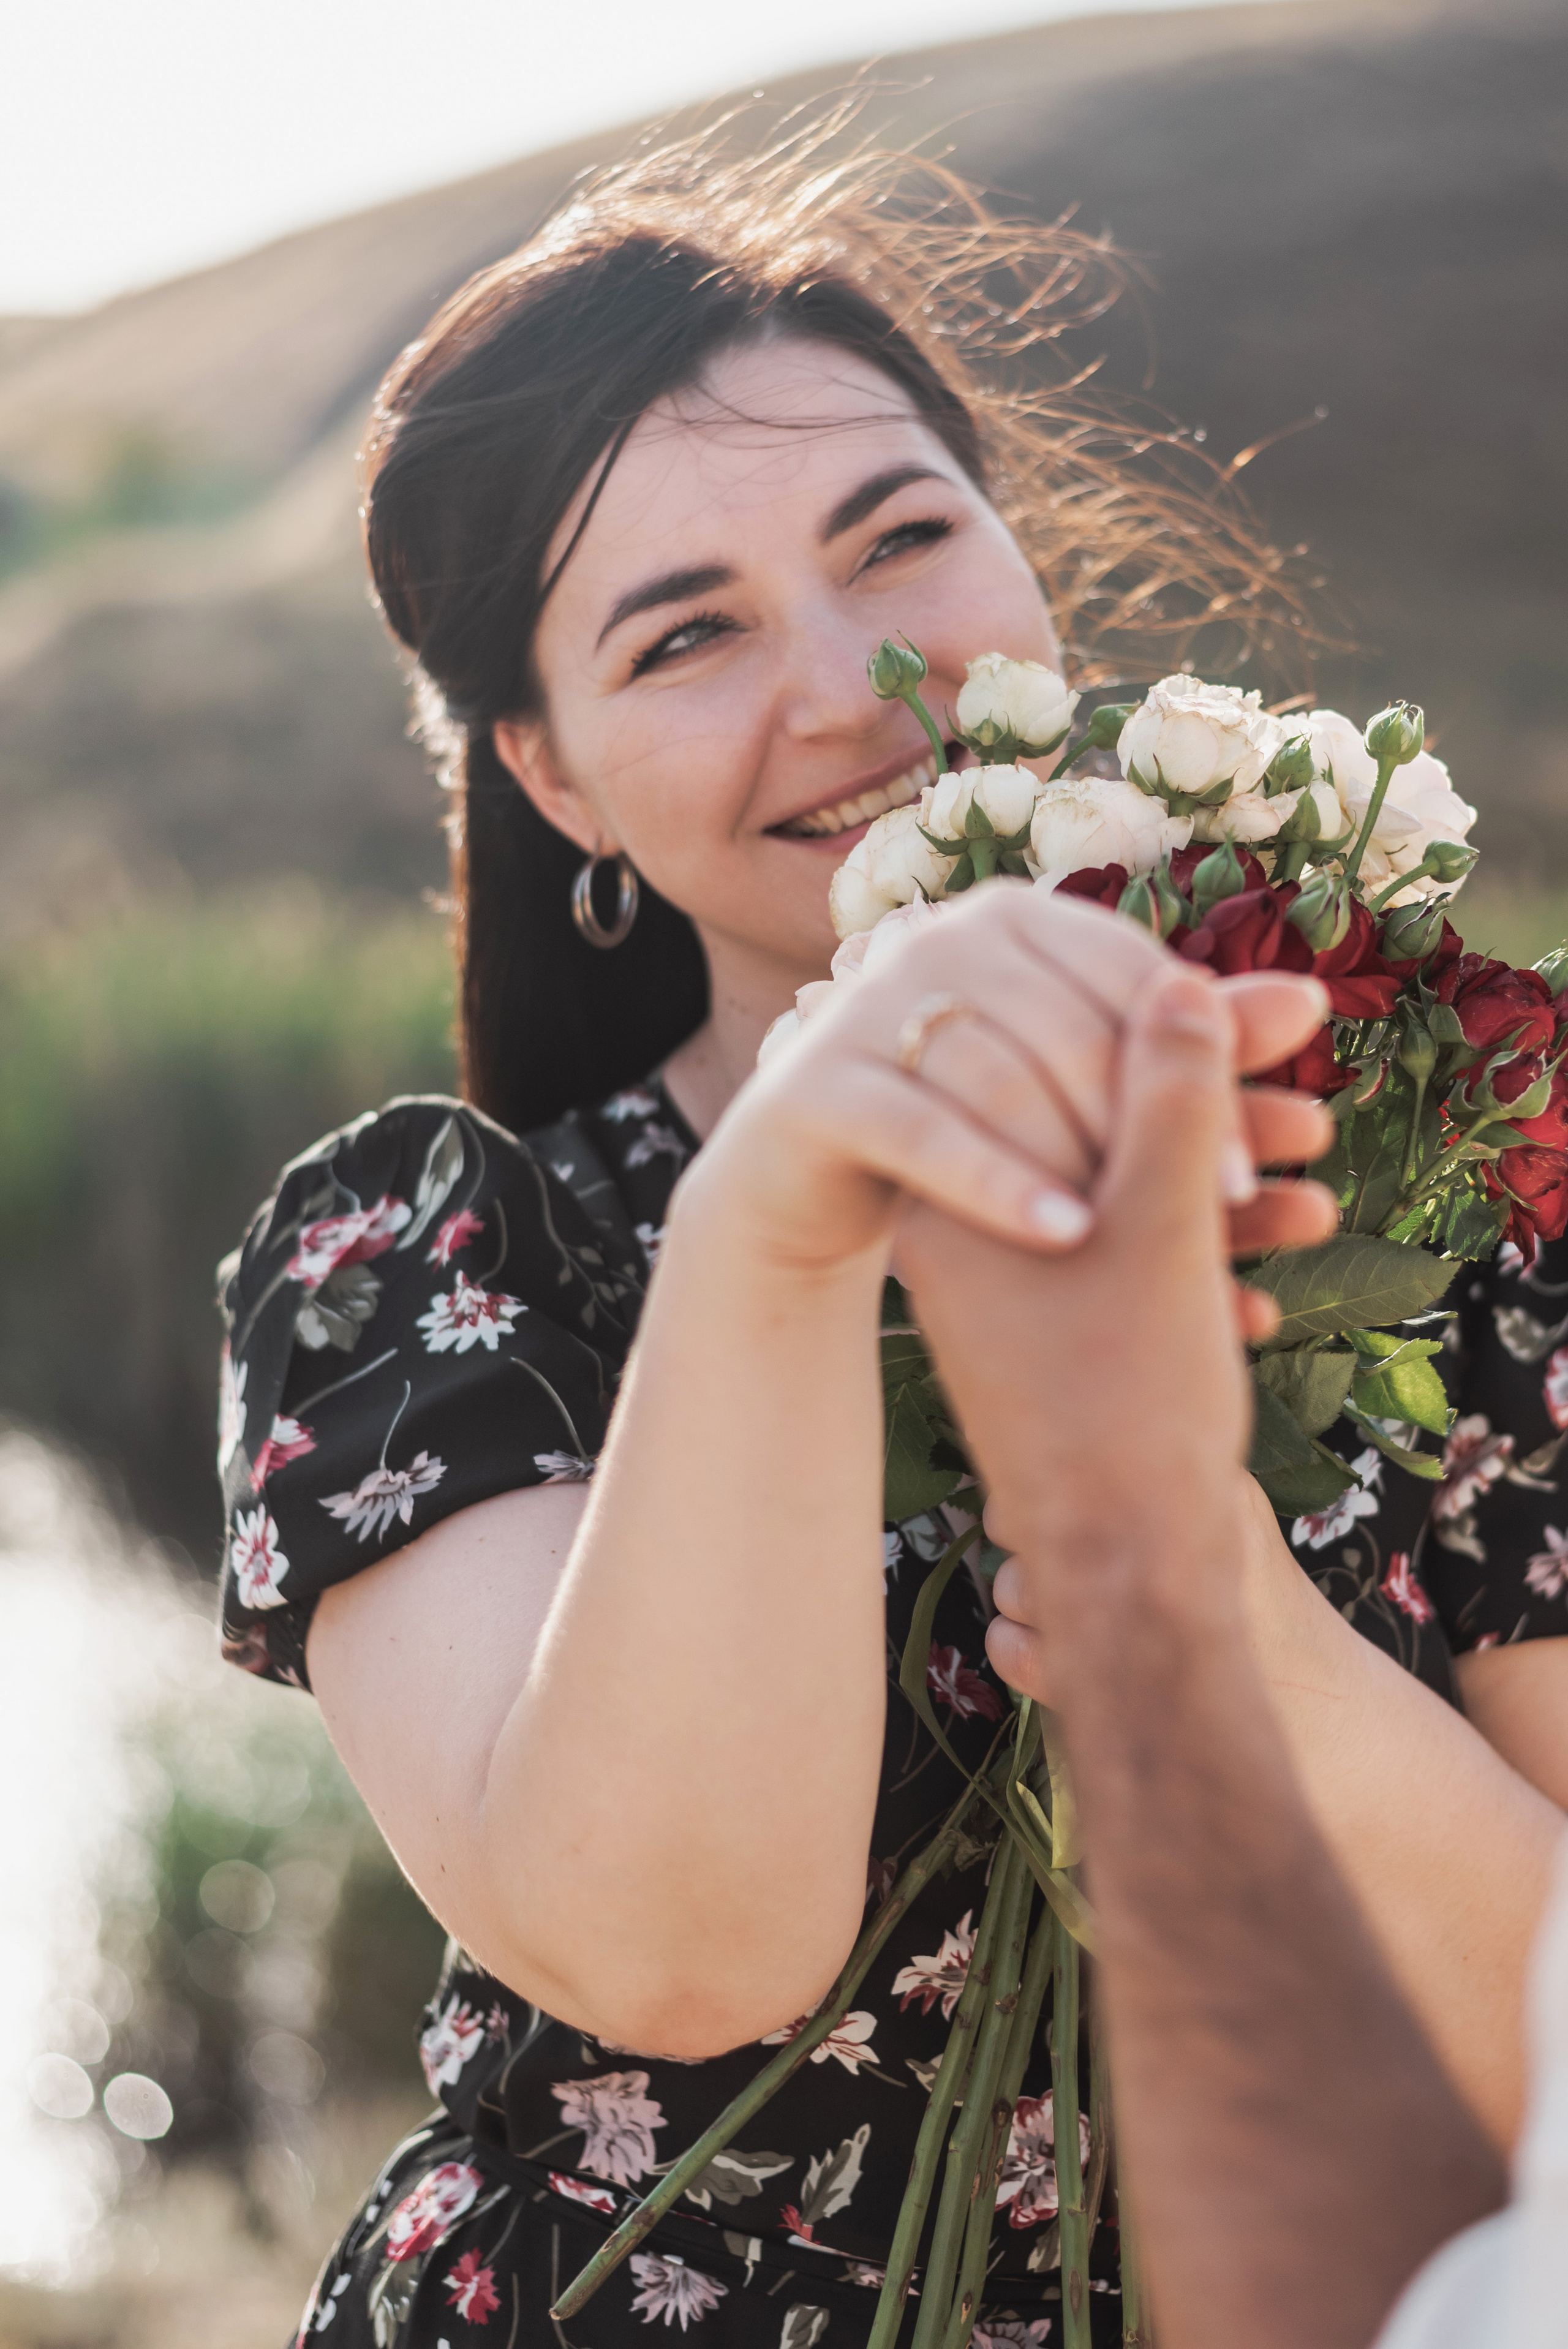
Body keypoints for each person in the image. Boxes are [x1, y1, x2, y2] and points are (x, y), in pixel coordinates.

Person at [213, 124, 1567, 2345]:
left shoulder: (1424, 1199)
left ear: (1019, 556)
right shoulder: (427, 1254)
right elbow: (674, 1944)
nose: (845, 687)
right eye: (686, 636)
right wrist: (784, 1215)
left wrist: (1226, 1615)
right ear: (555, 777)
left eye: (899, 536)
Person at [901, 962, 1565, 2349]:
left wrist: (1274, 1675)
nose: (830, 725)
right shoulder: (514, 1233)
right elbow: (660, 1950)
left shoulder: (1479, 1249)